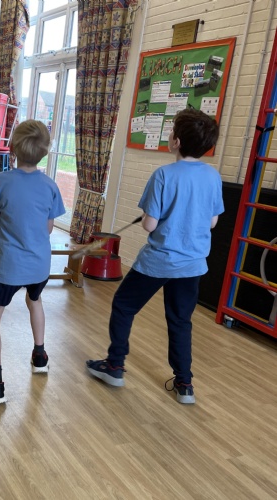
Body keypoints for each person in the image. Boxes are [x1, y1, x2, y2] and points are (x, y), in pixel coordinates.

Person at [86, 108, 224, 405]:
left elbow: (149, 225)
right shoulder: (213, 176)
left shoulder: (163, 175)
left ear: (176, 141)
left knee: (124, 305)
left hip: (159, 261)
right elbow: (212, 222)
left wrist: (153, 217)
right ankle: (184, 384)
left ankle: (114, 366)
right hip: (192, 265)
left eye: (172, 130)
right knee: (180, 320)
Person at [0, 120, 66, 405]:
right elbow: (48, 228)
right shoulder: (50, 185)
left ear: (11, 148)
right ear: (45, 152)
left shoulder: (1, 181)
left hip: (9, 267)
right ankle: (40, 357)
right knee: (35, 301)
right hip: (40, 266)